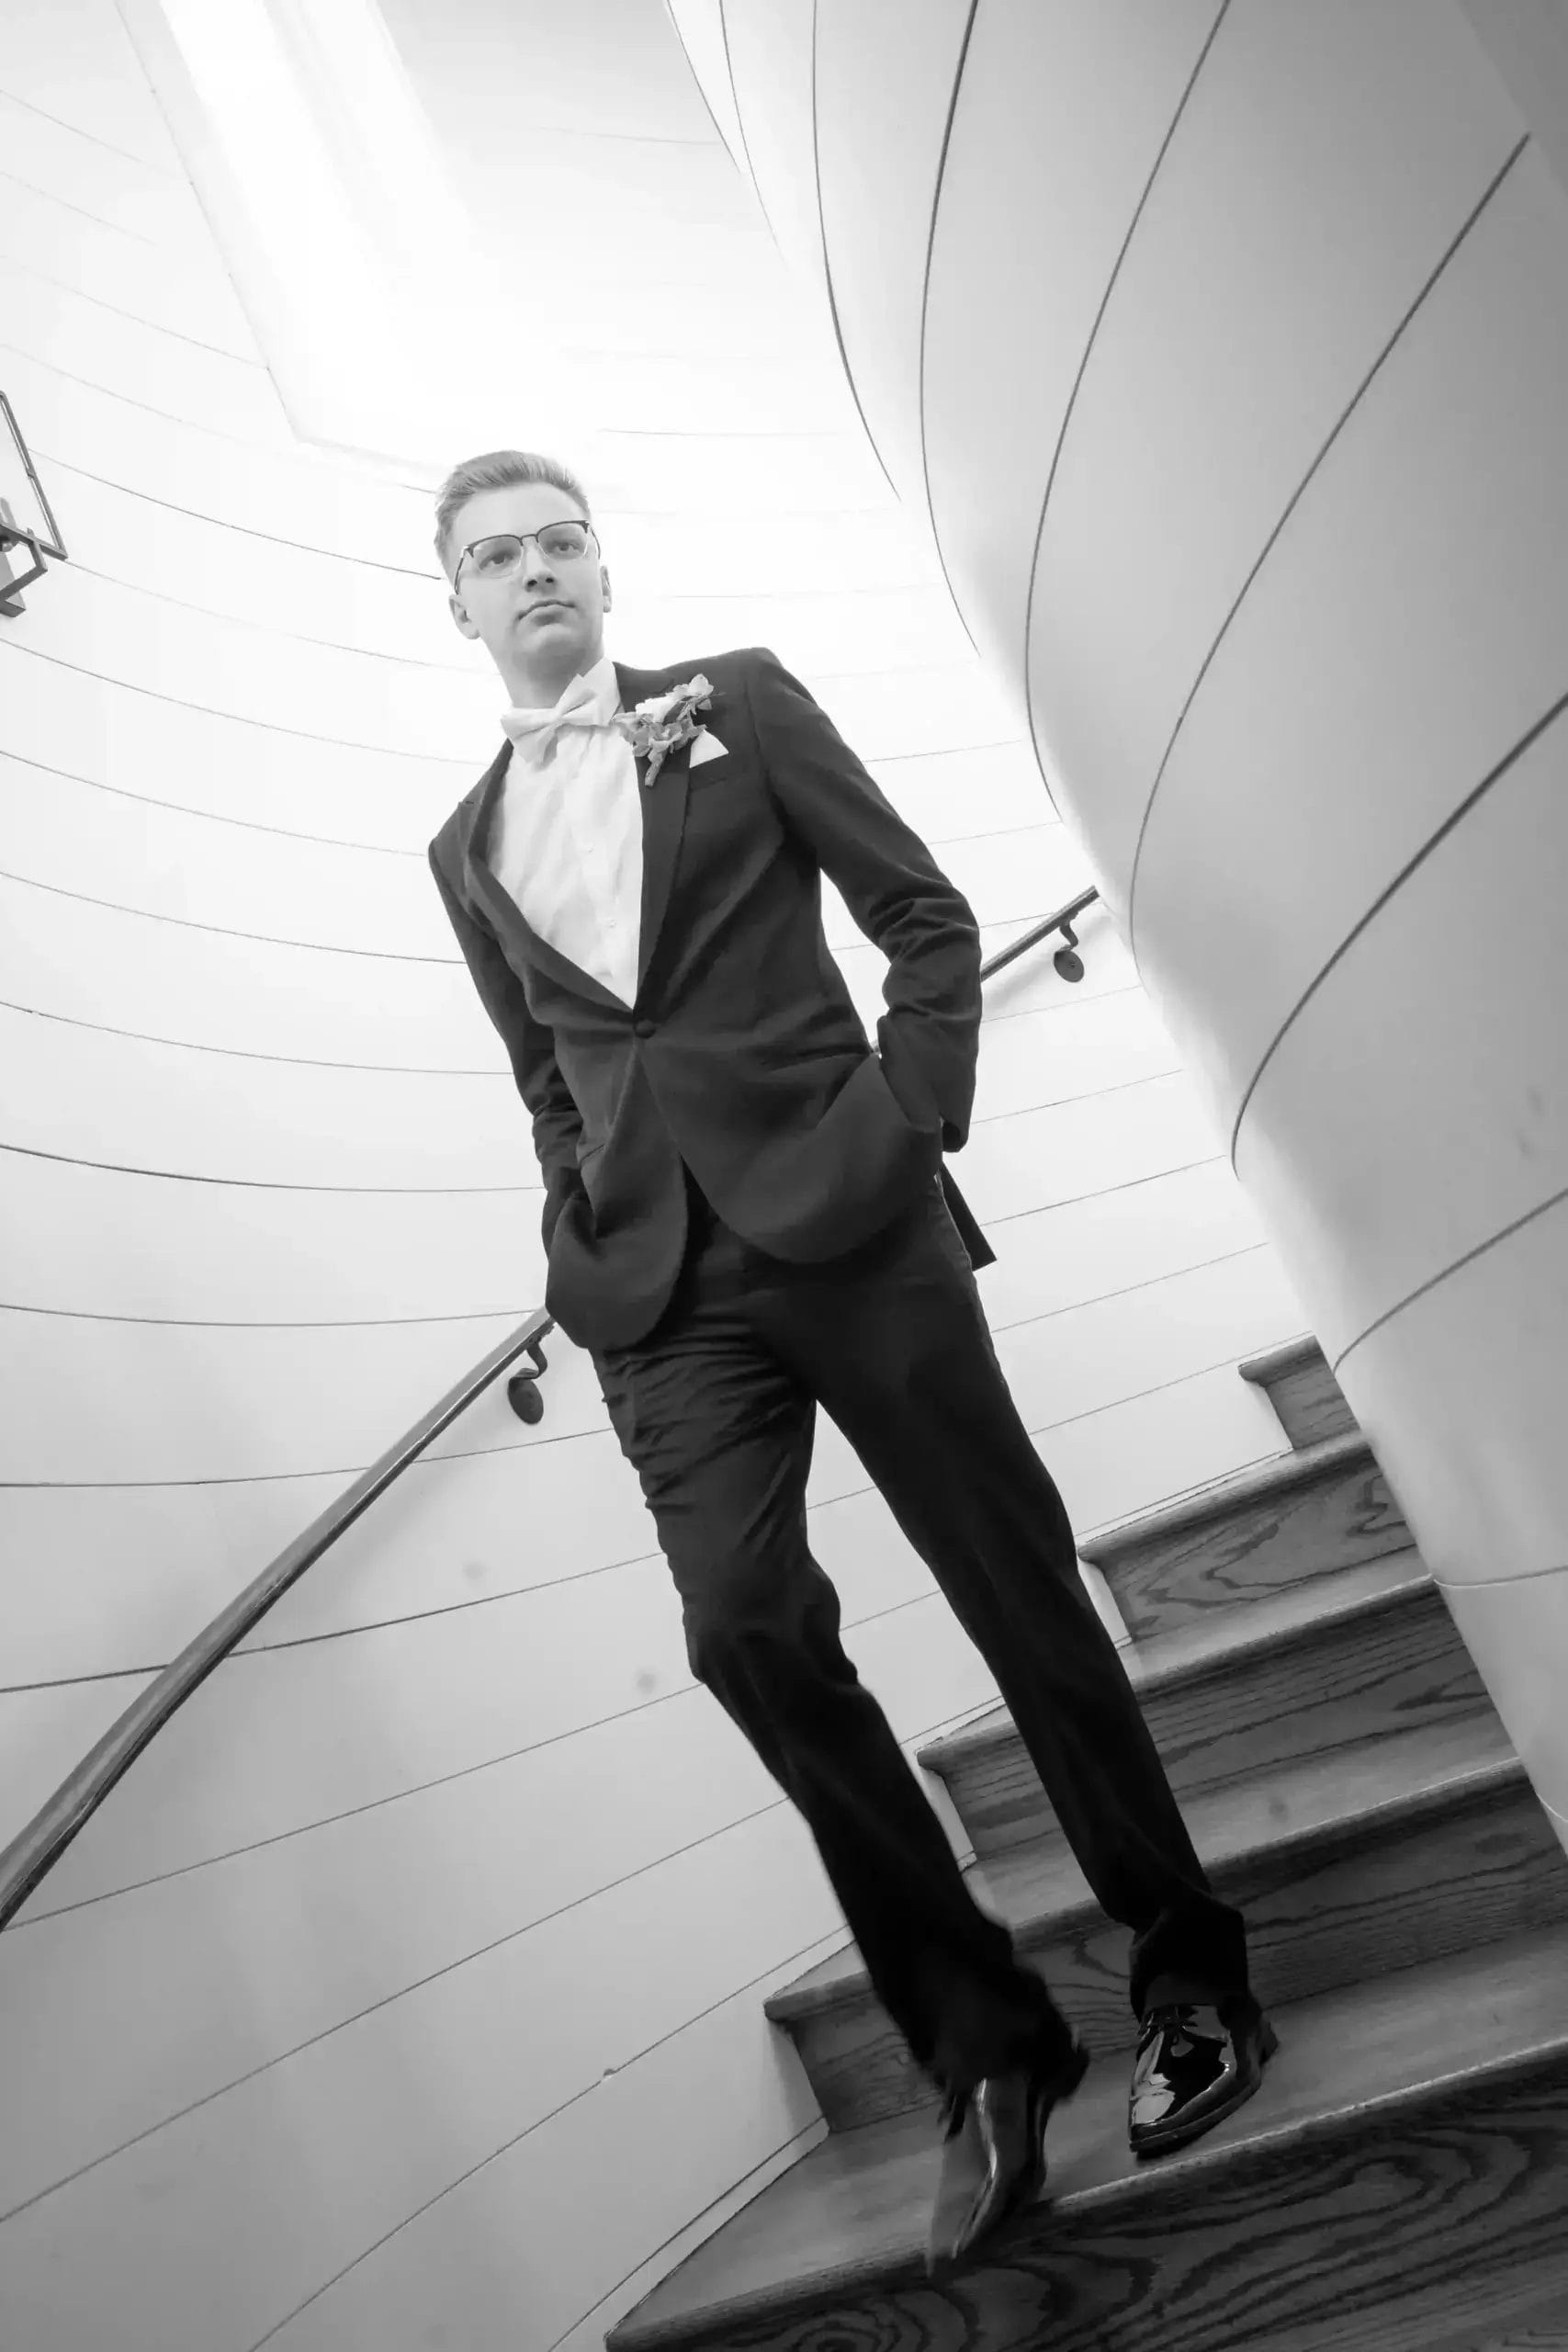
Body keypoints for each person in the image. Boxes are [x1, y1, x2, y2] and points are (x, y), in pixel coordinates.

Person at [427, 449, 1277, 2273]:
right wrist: (578, 1220)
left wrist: (909, 1117)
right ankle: (982, 2037)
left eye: (557, 538)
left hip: (852, 1210)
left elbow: (924, 915)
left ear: (600, 559)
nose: (532, 570)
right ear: (460, 603)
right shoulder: (461, 844)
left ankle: (1186, 1967)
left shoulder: (729, 703)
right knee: (739, 1631)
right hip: (656, 1300)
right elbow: (542, 1073)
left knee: (1012, 1589)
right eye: (493, 556)